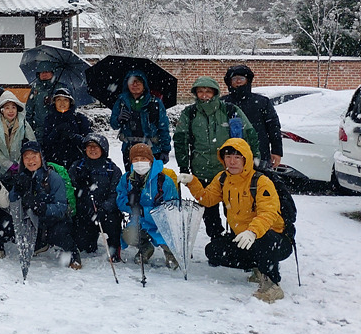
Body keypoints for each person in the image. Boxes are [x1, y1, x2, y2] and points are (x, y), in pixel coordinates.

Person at [178, 138, 292, 302]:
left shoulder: (261, 181)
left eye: (237, 157)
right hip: (243, 238)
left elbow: (268, 213)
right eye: (228, 157)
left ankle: (272, 285)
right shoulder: (223, 178)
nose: (232, 162)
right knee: (214, 251)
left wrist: (252, 232)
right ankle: (257, 266)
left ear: (246, 159)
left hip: (275, 239)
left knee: (264, 240)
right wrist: (192, 182)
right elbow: (207, 199)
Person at [174, 76, 259, 239]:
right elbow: (180, 139)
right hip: (202, 168)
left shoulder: (229, 110)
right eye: (200, 91)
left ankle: (237, 237)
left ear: (215, 92)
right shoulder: (190, 113)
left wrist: (254, 159)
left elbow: (249, 133)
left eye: (208, 91)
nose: (204, 95)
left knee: (235, 207)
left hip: (230, 169)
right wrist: (183, 165)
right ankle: (217, 239)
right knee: (208, 209)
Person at [10, 140, 81, 269]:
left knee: (59, 233)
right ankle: (41, 242)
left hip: (54, 220)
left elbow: (61, 207)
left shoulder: (53, 178)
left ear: (41, 157)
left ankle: (72, 252)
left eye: (34, 156)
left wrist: (42, 207)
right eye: (26, 157)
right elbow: (12, 201)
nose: (31, 161)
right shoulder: (22, 177)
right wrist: (17, 190)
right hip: (33, 220)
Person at [115, 143, 180, 268]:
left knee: (166, 237)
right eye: (136, 159)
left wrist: (144, 211)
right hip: (138, 220)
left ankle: (171, 253)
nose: (139, 163)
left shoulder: (164, 181)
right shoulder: (127, 179)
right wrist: (131, 205)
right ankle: (145, 247)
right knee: (129, 234)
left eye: (143, 159)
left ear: (150, 160)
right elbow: (120, 199)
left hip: (161, 222)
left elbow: (172, 208)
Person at [69, 133, 123, 261]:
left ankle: (114, 248)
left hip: (105, 212)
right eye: (89, 146)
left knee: (113, 221)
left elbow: (115, 193)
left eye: (96, 146)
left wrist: (104, 208)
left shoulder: (112, 170)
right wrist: (80, 187)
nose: (92, 149)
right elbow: (70, 189)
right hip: (84, 211)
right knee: (85, 246)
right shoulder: (77, 166)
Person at [222, 65, 283, 169]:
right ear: (229, 82)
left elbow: (274, 127)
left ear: (248, 80)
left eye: (241, 78)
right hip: (230, 154)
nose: (238, 81)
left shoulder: (262, 102)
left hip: (259, 152)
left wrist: (276, 151)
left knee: (259, 178)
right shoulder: (222, 103)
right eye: (234, 78)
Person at [109, 70, 172, 169]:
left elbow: (163, 127)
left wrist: (165, 150)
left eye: (138, 81)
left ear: (144, 84)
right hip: (129, 149)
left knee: (152, 177)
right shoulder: (121, 102)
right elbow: (114, 125)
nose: (135, 85)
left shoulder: (155, 102)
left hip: (152, 149)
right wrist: (118, 119)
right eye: (131, 82)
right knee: (131, 176)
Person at [0, 91, 36, 182]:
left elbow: (32, 145)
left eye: (13, 107)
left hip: (22, 171)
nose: (11, 111)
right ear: (2, 110)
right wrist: (7, 164)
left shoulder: (24, 124)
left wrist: (21, 163)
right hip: (0, 171)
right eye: (7, 108)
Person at [39, 87, 91, 171]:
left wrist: (72, 136)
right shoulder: (49, 119)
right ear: (54, 102)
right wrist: (56, 132)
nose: (62, 103)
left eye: (65, 100)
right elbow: (45, 143)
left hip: (76, 163)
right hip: (54, 163)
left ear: (70, 102)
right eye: (59, 100)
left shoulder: (79, 119)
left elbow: (88, 141)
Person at [24, 61, 59, 133]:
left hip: (56, 130)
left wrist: (53, 102)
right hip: (38, 130)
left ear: (52, 72)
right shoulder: (36, 89)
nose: (44, 74)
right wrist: (29, 130)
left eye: (47, 72)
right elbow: (29, 110)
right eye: (41, 72)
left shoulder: (60, 88)